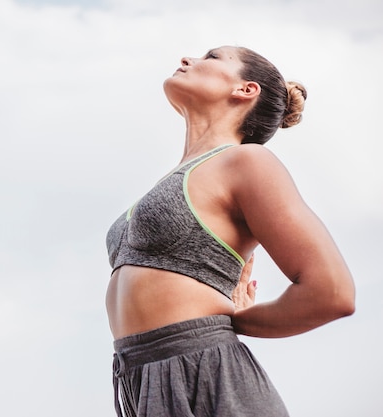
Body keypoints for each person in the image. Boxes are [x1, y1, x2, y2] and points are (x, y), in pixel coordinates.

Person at [105, 45, 356, 417]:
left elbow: (332, 292)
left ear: (245, 89)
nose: (188, 59)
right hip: (140, 378)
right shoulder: (175, 177)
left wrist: (231, 321)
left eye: (212, 56)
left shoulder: (246, 161)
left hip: (206, 372)